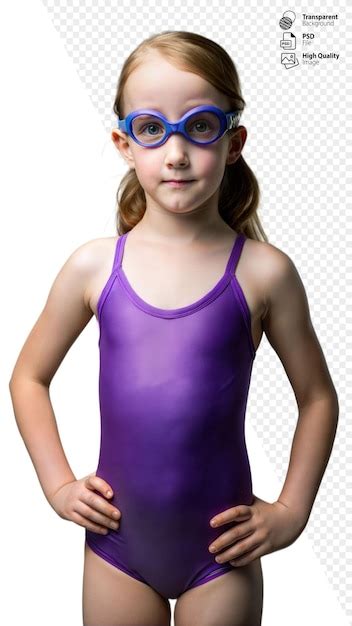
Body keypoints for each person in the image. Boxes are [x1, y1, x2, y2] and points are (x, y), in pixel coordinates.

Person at [9, 30, 339, 626]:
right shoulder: (93, 265)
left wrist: (291, 511)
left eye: (200, 126)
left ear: (235, 141)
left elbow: (317, 398)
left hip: (221, 555)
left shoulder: (266, 273)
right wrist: (58, 487)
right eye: (153, 129)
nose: (177, 153)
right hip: (118, 549)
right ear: (124, 143)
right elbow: (28, 377)